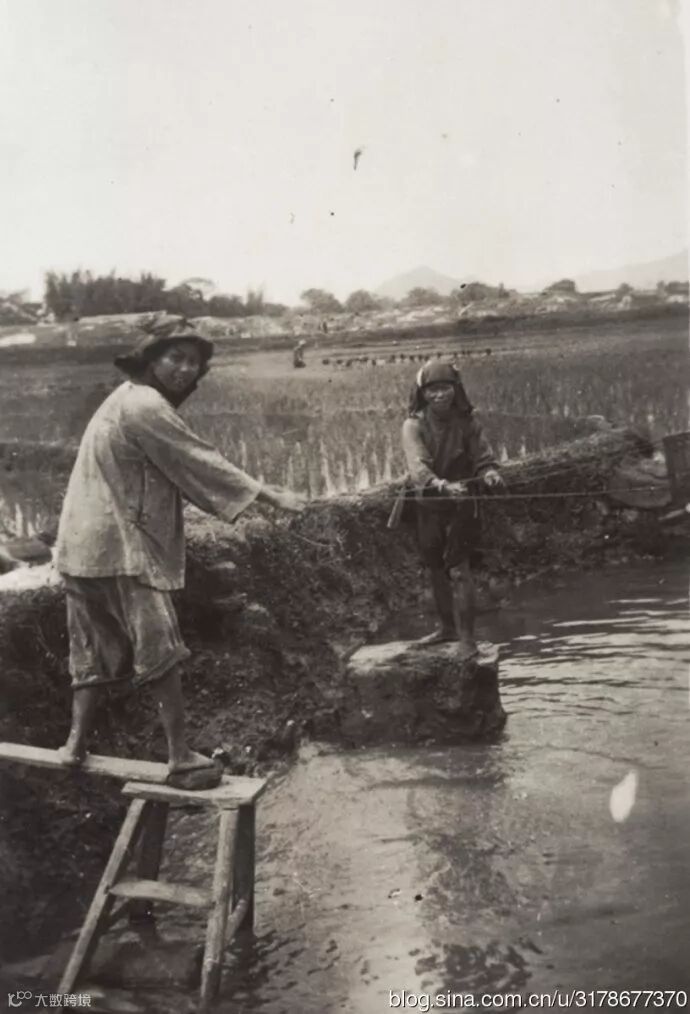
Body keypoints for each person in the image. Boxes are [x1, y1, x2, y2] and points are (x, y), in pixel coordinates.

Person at [55, 315, 304, 789]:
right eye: (176, 357)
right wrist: (273, 497)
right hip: (122, 546)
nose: (185, 369)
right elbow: (199, 460)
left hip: (80, 547)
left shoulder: (123, 398)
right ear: (151, 359)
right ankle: (180, 755)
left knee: (90, 647)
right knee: (160, 649)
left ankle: (74, 745)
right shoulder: (146, 405)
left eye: (193, 362)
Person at [401, 360, 503, 660]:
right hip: (429, 502)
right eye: (431, 390)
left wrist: (489, 473)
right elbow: (418, 466)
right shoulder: (414, 425)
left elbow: (483, 457)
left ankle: (468, 640)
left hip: (462, 503)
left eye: (445, 388)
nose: (439, 395)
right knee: (436, 567)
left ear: (455, 390)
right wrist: (441, 485)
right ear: (422, 394)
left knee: (460, 569)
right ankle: (447, 629)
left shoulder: (468, 423)